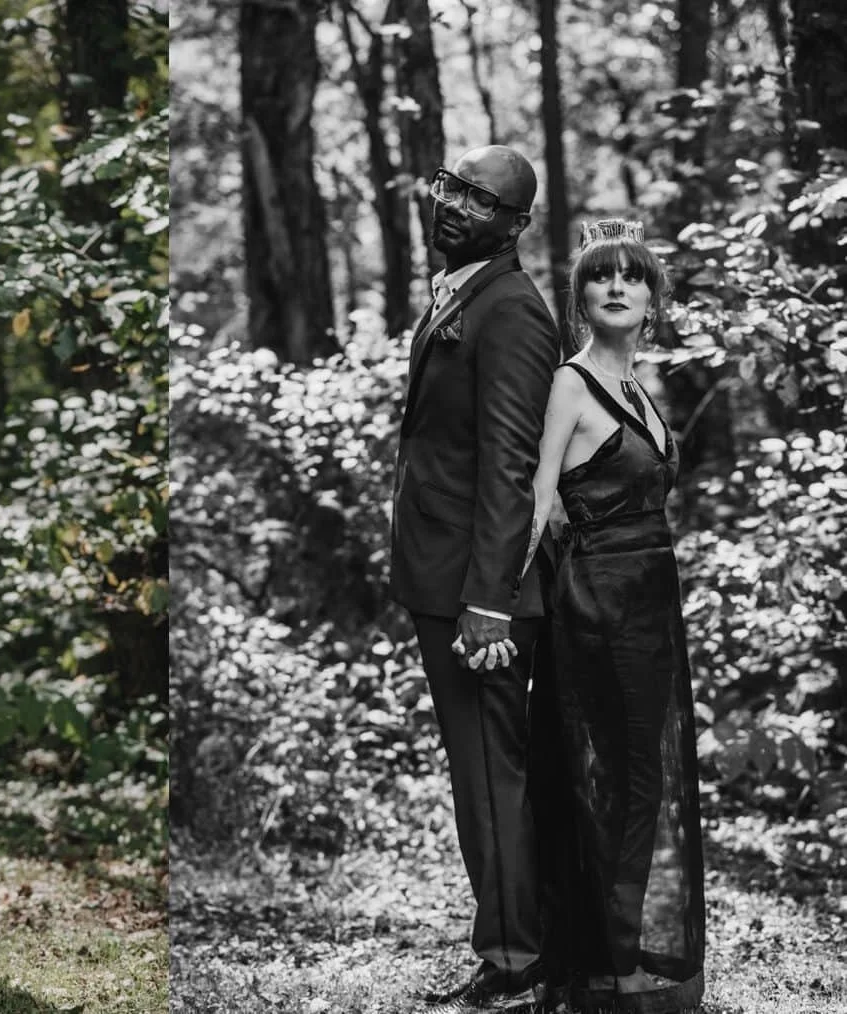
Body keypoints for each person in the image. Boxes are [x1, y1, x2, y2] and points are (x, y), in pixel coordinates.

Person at [388, 145, 560, 1013]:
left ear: (514, 225)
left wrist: (488, 603)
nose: (453, 205)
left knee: (491, 774)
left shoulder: (512, 313)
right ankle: (513, 945)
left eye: (479, 200)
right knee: (477, 774)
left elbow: (510, 469)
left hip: (477, 593)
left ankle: (515, 960)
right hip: (441, 577)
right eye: (450, 186)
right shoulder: (464, 292)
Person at [523, 220, 705, 1013]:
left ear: (652, 298)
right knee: (613, 773)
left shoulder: (641, 389)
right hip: (597, 600)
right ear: (581, 297)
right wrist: (496, 606)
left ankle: (617, 944)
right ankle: (605, 959)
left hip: (651, 602)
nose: (617, 286)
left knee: (644, 774)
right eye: (601, 276)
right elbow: (538, 501)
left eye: (632, 275)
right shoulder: (571, 383)